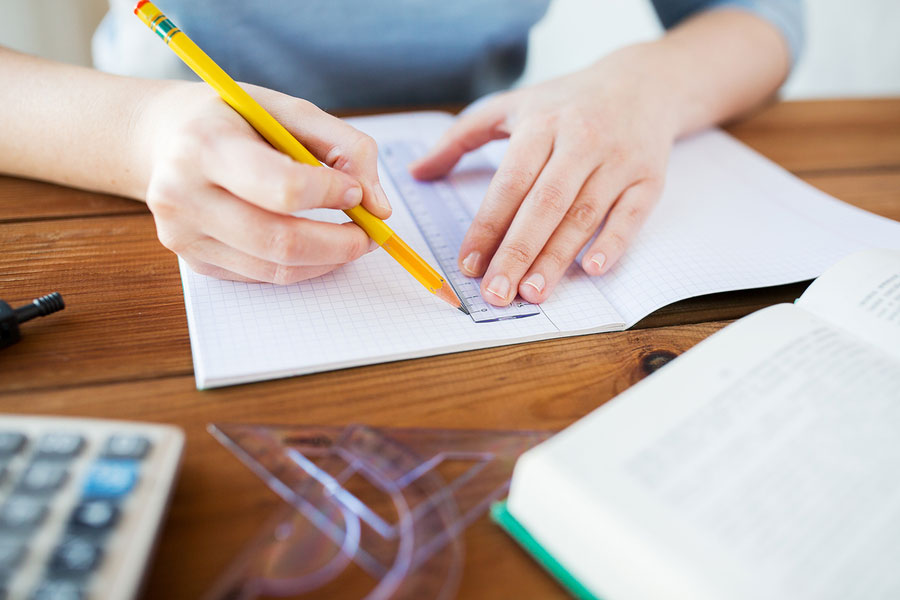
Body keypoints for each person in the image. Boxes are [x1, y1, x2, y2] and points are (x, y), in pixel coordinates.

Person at [0, 0, 802, 306]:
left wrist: (645, 85)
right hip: (124, 173)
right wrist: (136, 133)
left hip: (460, 128)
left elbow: (767, 16)